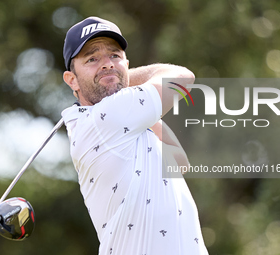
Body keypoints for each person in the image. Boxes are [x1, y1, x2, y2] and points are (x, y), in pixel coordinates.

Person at [61, 16, 208, 255]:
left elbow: (180, 162)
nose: (107, 64)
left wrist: (116, 79)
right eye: (92, 59)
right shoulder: (106, 117)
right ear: (72, 80)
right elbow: (183, 77)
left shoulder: (129, 120)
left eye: (114, 56)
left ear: (126, 63)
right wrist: (120, 76)